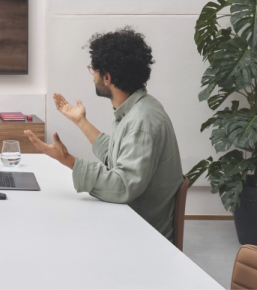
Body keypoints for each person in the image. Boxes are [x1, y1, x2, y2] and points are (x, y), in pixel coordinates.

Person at [24, 27, 183, 242]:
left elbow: (123, 186)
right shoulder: (137, 109)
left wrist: (68, 160)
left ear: (107, 77)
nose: (93, 77)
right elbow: (117, 156)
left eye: (94, 70)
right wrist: (81, 121)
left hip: (142, 236)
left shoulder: (142, 122)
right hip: (129, 220)